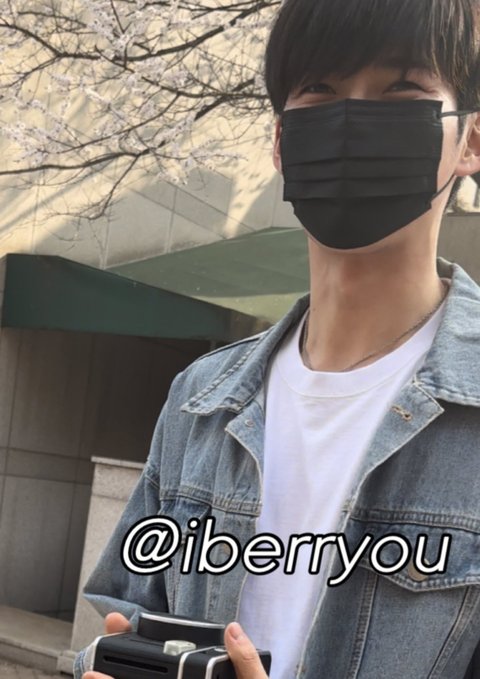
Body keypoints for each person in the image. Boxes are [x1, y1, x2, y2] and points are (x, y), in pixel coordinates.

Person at [78, 0, 480, 677]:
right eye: (319, 89)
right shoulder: (199, 400)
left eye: (403, 90)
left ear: (470, 140)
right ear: (280, 140)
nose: (351, 119)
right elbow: (127, 621)